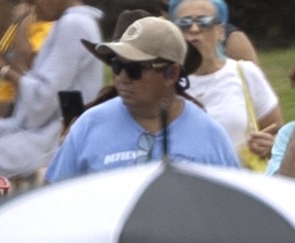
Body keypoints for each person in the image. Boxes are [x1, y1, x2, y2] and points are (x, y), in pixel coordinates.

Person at [47, 13, 249, 179]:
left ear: (172, 74)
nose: (122, 77)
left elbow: (231, 206)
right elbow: (54, 197)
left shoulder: (210, 135)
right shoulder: (87, 126)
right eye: (116, 65)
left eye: (134, 69)